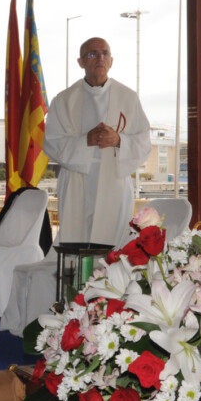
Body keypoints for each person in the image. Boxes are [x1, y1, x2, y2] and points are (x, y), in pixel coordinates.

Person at [44, 37, 151, 246]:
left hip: (115, 183)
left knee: (113, 245)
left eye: (105, 53)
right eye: (92, 54)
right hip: (77, 183)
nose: (100, 58)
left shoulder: (128, 98)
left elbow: (144, 142)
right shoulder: (64, 100)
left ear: (111, 61)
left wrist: (118, 139)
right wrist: (86, 140)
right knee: (77, 242)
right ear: (81, 62)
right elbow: (51, 143)